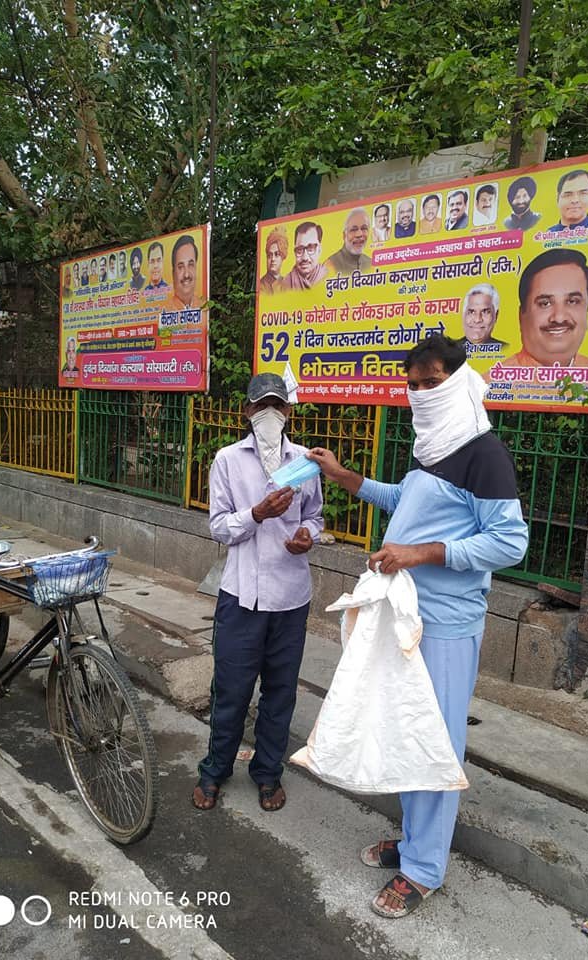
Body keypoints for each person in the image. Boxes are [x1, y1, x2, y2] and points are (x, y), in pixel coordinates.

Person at [307, 334, 528, 919]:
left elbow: (510, 542)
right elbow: (405, 498)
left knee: (434, 741)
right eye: (414, 383)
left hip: (448, 624)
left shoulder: (483, 452)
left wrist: (421, 554)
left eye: (433, 381)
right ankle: (412, 843)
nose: (422, 392)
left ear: (459, 379)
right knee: (407, 728)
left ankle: (424, 869)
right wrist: (344, 476)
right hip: (407, 616)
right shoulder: (434, 443)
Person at [193, 373, 324, 813]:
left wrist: (307, 535)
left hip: (290, 597)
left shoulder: (304, 461)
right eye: (261, 405)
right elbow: (218, 526)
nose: (270, 413)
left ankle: (268, 773)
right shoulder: (228, 460)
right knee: (230, 690)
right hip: (241, 597)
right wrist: (256, 514)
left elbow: (316, 517)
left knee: (280, 693)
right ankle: (214, 770)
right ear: (247, 411)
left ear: (288, 411)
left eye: (277, 405)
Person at [501, 249, 588, 369]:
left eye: (572, 301)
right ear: (521, 316)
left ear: (586, 312)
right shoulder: (489, 380)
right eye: (545, 304)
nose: (559, 318)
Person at [282, 222, 328, 290]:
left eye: (310, 249)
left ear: (319, 250)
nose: (305, 258)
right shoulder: (285, 284)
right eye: (299, 250)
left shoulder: (328, 276)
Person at [325, 208, 372, 275]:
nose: (359, 234)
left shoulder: (370, 263)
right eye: (353, 230)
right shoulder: (331, 264)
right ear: (344, 235)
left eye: (364, 228)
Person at [162, 235, 202, 311]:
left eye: (190, 265)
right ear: (173, 274)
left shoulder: (204, 307)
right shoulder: (165, 311)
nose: (186, 274)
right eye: (180, 267)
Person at [259, 229, 288, 295]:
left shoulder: (288, 284)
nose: (273, 259)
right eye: (269, 255)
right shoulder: (261, 286)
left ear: (283, 257)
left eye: (277, 254)